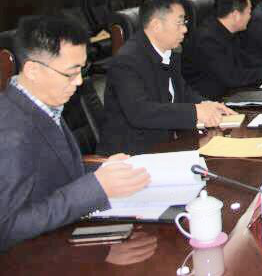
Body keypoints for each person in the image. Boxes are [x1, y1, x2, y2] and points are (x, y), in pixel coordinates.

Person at [0, 16, 150, 250]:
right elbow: (7, 228)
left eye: (82, 69)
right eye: (70, 73)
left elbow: (58, 172)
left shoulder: (42, 102)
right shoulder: (9, 131)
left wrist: (104, 170)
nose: (79, 81)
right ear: (33, 70)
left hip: (60, 235)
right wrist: (96, 187)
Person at [99, 0, 235, 155]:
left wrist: (207, 104)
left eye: (184, 22)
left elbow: (183, 92)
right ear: (156, 25)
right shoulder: (126, 61)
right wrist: (196, 112)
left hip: (165, 144)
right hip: (130, 155)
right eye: (179, 23)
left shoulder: (169, 51)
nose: (185, 29)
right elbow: (140, 112)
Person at [182, 0, 262, 100]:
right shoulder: (207, 39)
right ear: (236, 15)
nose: (250, 17)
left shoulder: (226, 30)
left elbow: (243, 59)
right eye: (249, 12)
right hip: (212, 100)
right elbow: (231, 77)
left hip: (229, 92)